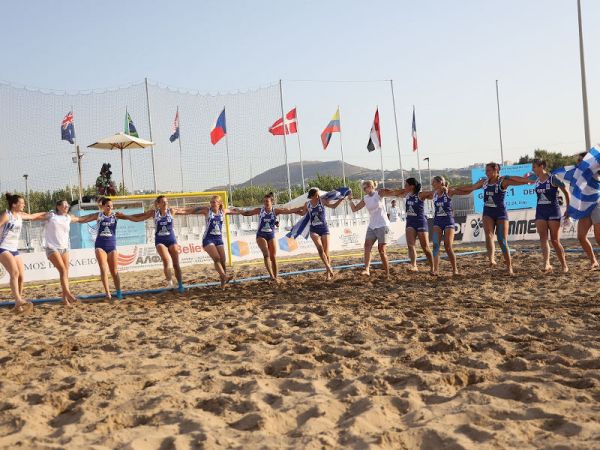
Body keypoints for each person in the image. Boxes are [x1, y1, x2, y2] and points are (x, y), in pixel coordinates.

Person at [453, 162, 530, 275]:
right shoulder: (484, 182)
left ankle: (509, 267)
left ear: (496, 171)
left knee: (502, 240)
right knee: (489, 235)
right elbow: (471, 188)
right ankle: (491, 259)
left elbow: (519, 181)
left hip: (500, 213)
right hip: (488, 212)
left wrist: (529, 180)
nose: (486, 172)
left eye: (488, 170)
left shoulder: (502, 181)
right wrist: (454, 189)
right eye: (486, 170)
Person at [120, 195, 200, 293]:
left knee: (176, 264)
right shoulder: (154, 213)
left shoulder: (171, 211)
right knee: (166, 260)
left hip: (171, 240)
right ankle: (170, 283)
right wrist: (124, 216)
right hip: (160, 241)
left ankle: (180, 285)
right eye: (163, 202)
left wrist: (204, 209)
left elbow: (187, 211)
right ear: (158, 204)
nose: (165, 203)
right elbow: (138, 218)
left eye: (166, 201)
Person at [503, 159, 571, 272]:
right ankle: (546, 263)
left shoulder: (553, 178)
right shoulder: (536, 178)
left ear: (541, 166)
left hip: (553, 211)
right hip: (540, 212)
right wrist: (508, 176)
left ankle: (564, 265)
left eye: (534, 167)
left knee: (555, 241)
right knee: (543, 239)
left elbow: (566, 192)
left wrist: (568, 209)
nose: (533, 169)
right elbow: (521, 180)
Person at [43, 200, 102, 307]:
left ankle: (64, 299)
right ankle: (68, 294)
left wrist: (96, 215)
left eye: (67, 205)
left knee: (65, 273)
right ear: (58, 206)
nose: (67, 206)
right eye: (64, 204)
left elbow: (82, 219)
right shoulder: (51, 216)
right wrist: (19, 214)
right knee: (62, 270)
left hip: (64, 248)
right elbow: (34, 216)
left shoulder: (68, 217)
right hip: (52, 247)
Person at [76, 197, 136, 300]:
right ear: (103, 206)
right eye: (108, 206)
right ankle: (107, 293)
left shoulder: (115, 215)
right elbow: (83, 219)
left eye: (112, 206)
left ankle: (118, 292)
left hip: (111, 246)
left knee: (114, 271)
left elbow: (132, 218)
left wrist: (127, 215)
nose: (110, 208)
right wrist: (70, 218)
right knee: (103, 269)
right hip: (100, 246)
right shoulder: (98, 215)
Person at [0, 193, 48, 312]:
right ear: (14, 204)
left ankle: (18, 304)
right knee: (14, 273)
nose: (24, 205)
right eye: (21, 203)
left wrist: (48, 214)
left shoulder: (20, 215)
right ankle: (18, 300)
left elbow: (33, 216)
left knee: (21, 276)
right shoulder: (7, 215)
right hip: (3, 248)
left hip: (13, 249)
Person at [238, 192, 301, 281]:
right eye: (264, 201)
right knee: (266, 254)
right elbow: (247, 213)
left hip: (271, 235)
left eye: (267, 201)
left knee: (273, 257)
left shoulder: (275, 211)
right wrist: (238, 211)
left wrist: (300, 209)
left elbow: (288, 211)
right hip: (261, 235)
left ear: (271, 202)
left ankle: (276, 277)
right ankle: (271, 276)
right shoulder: (259, 210)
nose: (265, 203)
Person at [293, 188, 346, 280]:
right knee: (320, 250)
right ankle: (329, 268)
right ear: (312, 196)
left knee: (326, 252)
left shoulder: (322, 201)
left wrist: (340, 200)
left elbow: (333, 206)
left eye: (318, 195)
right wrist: (295, 211)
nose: (318, 196)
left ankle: (328, 275)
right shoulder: (307, 204)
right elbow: (303, 213)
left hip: (324, 228)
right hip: (314, 229)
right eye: (316, 195)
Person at [347, 180, 394, 278]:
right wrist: (350, 200)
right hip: (372, 226)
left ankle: (387, 273)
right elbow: (354, 209)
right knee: (367, 247)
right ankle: (367, 270)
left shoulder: (378, 194)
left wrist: (392, 191)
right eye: (363, 188)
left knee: (381, 250)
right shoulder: (365, 198)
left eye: (365, 188)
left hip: (383, 225)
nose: (364, 190)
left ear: (371, 186)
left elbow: (392, 193)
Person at [194, 195, 242, 288]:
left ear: (219, 203)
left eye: (214, 202)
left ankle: (223, 283)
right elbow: (192, 210)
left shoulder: (223, 212)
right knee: (216, 258)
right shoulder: (207, 211)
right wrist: (180, 211)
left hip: (218, 239)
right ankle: (224, 277)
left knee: (223, 260)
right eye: (211, 202)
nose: (212, 204)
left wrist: (244, 212)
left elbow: (235, 211)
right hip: (208, 239)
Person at [418, 176, 460, 275]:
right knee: (436, 245)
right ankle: (435, 270)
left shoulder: (448, 192)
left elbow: (462, 191)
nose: (432, 184)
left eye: (434, 182)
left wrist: (475, 187)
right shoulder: (434, 194)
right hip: (437, 222)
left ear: (440, 182)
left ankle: (455, 269)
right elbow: (422, 195)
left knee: (448, 246)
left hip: (448, 221)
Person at [392, 178, 434, 273]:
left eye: (406, 185)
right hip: (410, 221)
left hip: (420, 221)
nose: (404, 186)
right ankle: (414, 265)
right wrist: (404, 190)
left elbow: (432, 194)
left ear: (412, 186)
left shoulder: (420, 195)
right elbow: (395, 193)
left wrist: (441, 189)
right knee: (411, 245)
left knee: (425, 247)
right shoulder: (406, 195)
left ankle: (433, 267)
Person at [573, 152, 600, 269]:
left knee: (599, 238)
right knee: (581, 236)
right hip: (584, 206)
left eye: (580, 160)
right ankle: (594, 261)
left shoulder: (595, 169)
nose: (578, 162)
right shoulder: (577, 173)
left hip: (596, 203)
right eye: (578, 160)